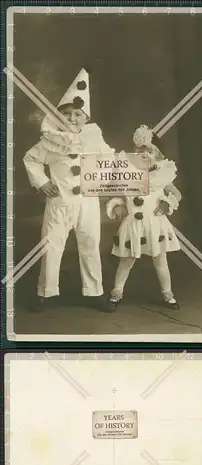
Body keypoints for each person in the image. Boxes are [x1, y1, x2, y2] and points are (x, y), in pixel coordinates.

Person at [23, 68, 114, 312]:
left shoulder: (94, 138)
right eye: (66, 114)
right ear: (59, 116)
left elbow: (110, 160)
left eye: (77, 114)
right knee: (51, 245)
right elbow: (31, 159)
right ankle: (46, 292)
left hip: (88, 202)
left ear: (86, 118)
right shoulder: (50, 140)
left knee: (90, 245)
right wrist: (42, 182)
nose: (71, 119)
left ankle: (94, 292)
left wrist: (109, 177)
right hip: (59, 203)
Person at [106, 124, 182, 312]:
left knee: (160, 259)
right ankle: (116, 292)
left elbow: (177, 194)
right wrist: (117, 205)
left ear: (157, 155)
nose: (143, 155)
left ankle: (168, 293)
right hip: (133, 224)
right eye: (139, 151)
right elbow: (119, 195)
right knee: (127, 260)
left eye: (148, 151)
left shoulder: (161, 175)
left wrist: (166, 203)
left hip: (155, 224)